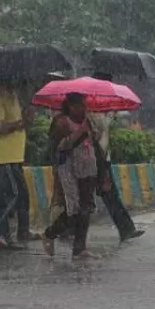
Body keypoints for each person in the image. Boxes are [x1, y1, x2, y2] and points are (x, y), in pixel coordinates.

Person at [42, 94, 100, 259]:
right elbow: (60, 147)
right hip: (69, 171)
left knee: (86, 208)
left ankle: (80, 247)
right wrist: (80, 132)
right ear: (71, 106)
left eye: (84, 105)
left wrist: (93, 133)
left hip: (87, 169)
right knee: (73, 210)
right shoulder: (61, 122)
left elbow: (92, 143)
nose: (83, 109)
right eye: (79, 106)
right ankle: (49, 234)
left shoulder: (86, 121)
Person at [89, 73, 145, 243]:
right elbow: (98, 131)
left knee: (109, 194)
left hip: (104, 156)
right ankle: (125, 228)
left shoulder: (104, 107)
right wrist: (108, 115)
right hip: (94, 158)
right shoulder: (92, 107)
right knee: (103, 195)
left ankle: (126, 228)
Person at [0, 81, 36, 248]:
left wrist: (27, 119)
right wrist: (20, 123)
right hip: (3, 155)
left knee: (21, 195)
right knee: (11, 195)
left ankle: (21, 231)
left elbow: (18, 124)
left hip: (15, 155)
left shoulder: (14, 95)